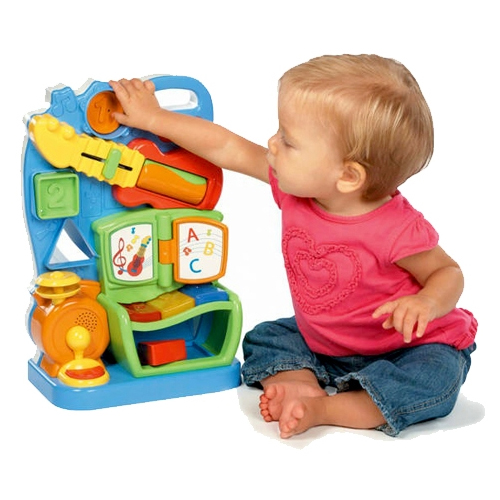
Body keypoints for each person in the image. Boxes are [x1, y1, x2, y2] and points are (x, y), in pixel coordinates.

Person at [109, 54, 477, 438]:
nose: (272, 142)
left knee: (435, 379)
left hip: (409, 348)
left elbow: (446, 272)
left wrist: (427, 303)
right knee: (266, 336)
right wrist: (154, 119)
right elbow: (228, 147)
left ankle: (329, 409)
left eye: (288, 140)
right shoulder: (295, 191)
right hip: (325, 344)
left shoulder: (397, 228)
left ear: (348, 176)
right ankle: (302, 385)